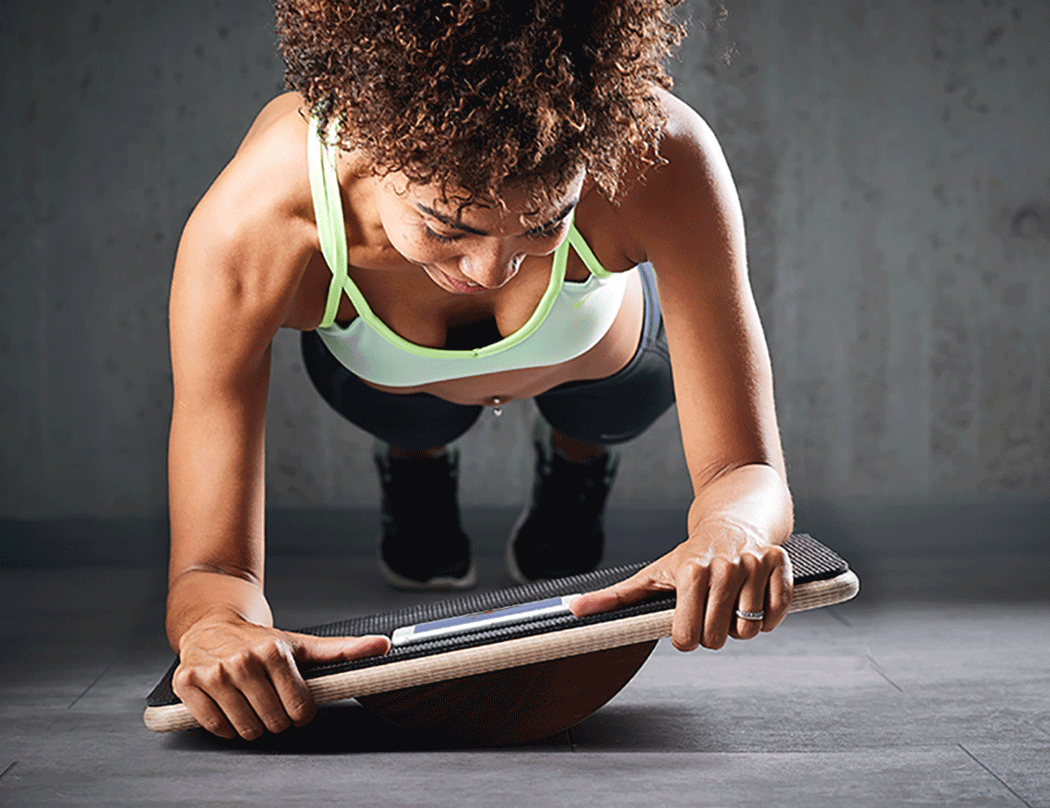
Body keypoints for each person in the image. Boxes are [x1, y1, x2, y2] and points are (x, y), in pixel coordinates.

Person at [166, 0, 794, 741]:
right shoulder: (255, 223)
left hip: (599, 367)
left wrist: (732, 529)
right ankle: (416, 458)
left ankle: (575, 461)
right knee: (410, 415)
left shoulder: (659, 153)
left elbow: (745, 469)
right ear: (370, 147)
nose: (493, 271)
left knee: (611, 408)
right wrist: (216, 626)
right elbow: (212, 570)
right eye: (445, 226)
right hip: (391, 387)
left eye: (546, 222)